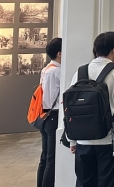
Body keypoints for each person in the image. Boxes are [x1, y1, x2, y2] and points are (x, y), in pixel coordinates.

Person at [69, 32, 114, 187]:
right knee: (107, 183)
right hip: (107, 141)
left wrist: (72, 141)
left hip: (82, 140)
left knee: (83, 183)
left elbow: (69, 107)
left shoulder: (80, 72)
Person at [37, 37, 61, 187]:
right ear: (59, 53)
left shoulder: (46, 69)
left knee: (45, 157)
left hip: (44, 115)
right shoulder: (58, 71)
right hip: (54, 115)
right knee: (52, 159)